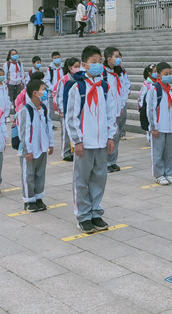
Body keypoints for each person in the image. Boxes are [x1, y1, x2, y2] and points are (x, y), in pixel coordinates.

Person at [65, 45, 116, 234]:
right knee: (81, 180)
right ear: (84, 65)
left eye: (100, 62)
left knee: (99, 178)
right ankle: (83, 216)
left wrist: (110, 136)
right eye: (94, 62)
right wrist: (77, 141)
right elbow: (71, 117)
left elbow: (110, 113)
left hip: (101, 142)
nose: (98, 65)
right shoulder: (77, 87)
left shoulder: (104, 87)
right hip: (84, 144)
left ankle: (95, 211)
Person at [17, 78, 54, 211]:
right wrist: (27, 150)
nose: (45, 92)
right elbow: (24, 131)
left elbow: (48, 126)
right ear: (34, 93)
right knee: (28, 175)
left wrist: (51, 143)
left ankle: (38, 197)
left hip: (42, 148)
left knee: (40, 174)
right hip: (30, 150)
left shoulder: (43, 108)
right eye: (43, 89)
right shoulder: (26, 110)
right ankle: (29, 200)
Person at [146, 61, 172, 185]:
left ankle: (168, 173)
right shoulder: (154, 89)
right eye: (166, 74)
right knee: (158, 152)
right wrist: (153, 127)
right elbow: (151, 109)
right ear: (159, 76)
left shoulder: (171, 89)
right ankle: (159, 174)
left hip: (170, 126)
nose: (169, 76)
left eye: (170, 73)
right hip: (159, 127)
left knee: (169, 152)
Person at [102, 46, 128, 173]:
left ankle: (112, 161)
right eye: (116, 57)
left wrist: (121, 105)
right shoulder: (103, 73)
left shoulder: (119, 71)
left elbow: (123, 89)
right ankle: (105, 162)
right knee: (107, 137)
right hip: (106, 110)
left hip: (117, 109)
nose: (119, 59)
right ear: (109, 59)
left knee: (115, 136)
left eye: (119, 56)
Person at [54, 57, 81, 161]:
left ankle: (73, 150)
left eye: (79, 66)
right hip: (65, 109)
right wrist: (61, 110)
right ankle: (65, 153)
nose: (78, 68)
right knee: (65, 132)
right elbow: (59, 96)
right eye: (76, 66)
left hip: (75, 108)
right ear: (70, 68)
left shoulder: (79, 78)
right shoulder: (64, 80)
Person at [45, 52, 62, 122]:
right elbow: (47, 80)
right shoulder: (50, 69)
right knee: (51, 110)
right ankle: (48, 124)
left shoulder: (63, 68)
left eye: (58, 57)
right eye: (55, 58)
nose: (57, 59)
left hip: (61, 92)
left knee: (62, 109)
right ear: (52, 60)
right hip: (52, 92)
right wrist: (53, 88)